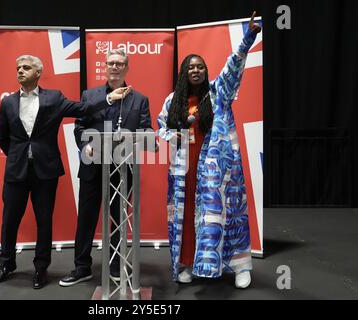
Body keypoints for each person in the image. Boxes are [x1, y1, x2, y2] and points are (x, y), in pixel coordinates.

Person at [0, 55, 130, 289]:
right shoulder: (7, 103)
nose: (20, 71)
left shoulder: (53, 98)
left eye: (26, 68)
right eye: (18, 68)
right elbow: (2, 138)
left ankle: (40, 268)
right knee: (9, 220)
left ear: (38, 73)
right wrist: (19, 156)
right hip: (16, 171)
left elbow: (82, 108)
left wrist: (108, 98)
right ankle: (7, 263)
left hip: (45, 172)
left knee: (44, 221)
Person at [157, 12, 262, 288]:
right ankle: (189, 264)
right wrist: (178, 131)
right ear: (183, 72)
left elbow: (233, 68)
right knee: (188, 217)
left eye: (200, 67)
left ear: (205, 71)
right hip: (184, 169)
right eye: (191, 67)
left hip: (218, 170)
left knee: (227, 214)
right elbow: (161, 130)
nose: (196, 70)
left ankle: (238, 266)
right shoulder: (172, 102)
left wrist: (247, 38)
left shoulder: (218, 93)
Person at [59, 49, 152, 286]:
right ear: (105, 66)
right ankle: (82, 267)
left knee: (118, 220)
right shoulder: (90, 96)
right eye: (111, 63)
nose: (115, 67)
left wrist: (150, 137)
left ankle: (115, 264)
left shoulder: (140, 99)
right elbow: (79, 127)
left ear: (126, 68)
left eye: (120, 63)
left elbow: (145, 128)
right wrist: (86, 145)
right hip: (93, 167)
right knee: (87, 219)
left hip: (124, 170)